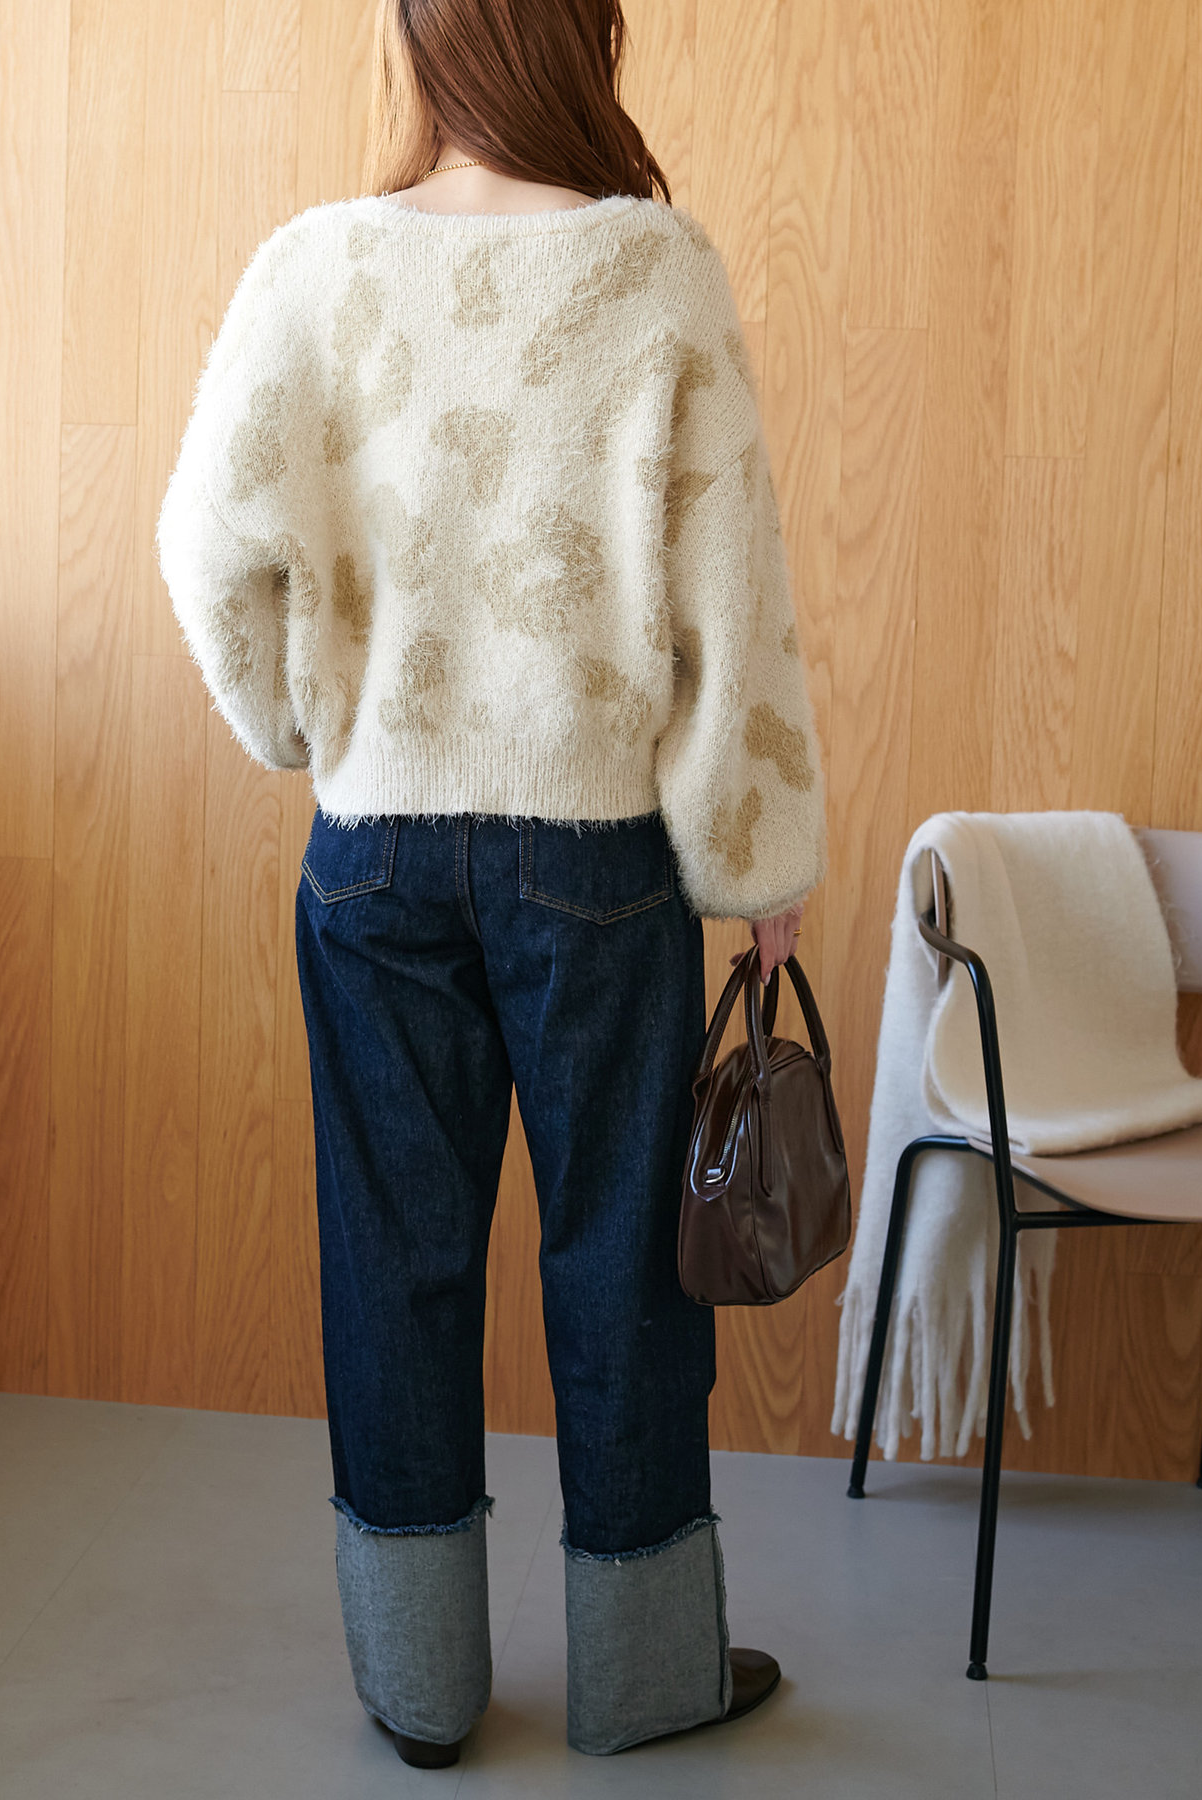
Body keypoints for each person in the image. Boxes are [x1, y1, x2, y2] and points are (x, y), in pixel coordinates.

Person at [157, 0, 826, 1768]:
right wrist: (757, 858)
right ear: (580, 41)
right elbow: (734, 593)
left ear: (422, 45)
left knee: (393, 1260)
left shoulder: (315, 268)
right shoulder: (656, 271)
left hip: (374, 849)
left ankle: (420, 1688)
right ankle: (647, 1677)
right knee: (625, 1266)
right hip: (594, 854)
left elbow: (206, 544)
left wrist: (298, 729)